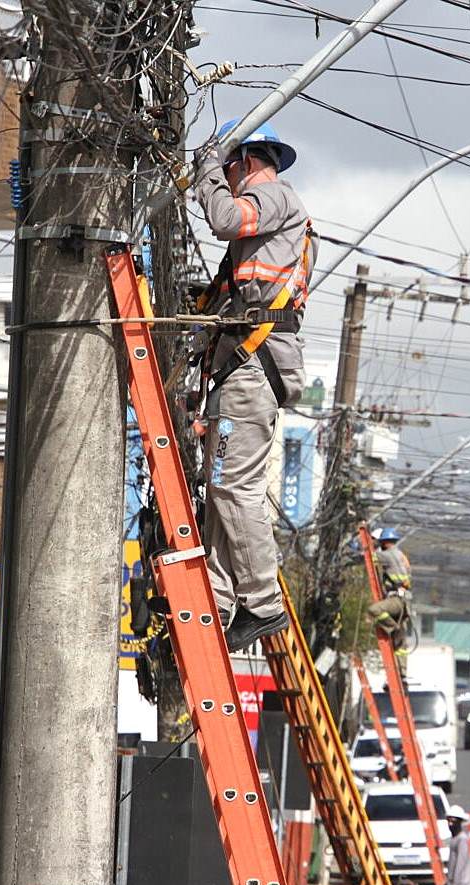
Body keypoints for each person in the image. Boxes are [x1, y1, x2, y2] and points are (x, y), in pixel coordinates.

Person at [193, 120, 314, 652]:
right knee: (221, 485)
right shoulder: (270, 223)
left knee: (230, 485)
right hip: (243, 364)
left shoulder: (273, 196)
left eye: (228, 170)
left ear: (242, 160)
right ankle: (219, 598)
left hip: (251, 365)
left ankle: (262, 603)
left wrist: (203, 168)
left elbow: (221, 218)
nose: (226, 180)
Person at [368, 528, 413, 670]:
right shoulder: (401, 555)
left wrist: (368, 544)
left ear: (386, 542)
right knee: (400, 643)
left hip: (396, 601)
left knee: (374, 610)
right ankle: (403, 672)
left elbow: (370, 558)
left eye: (381, 542)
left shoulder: (388, 555)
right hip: (405, 602)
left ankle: (393, 627)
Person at [444, 805, 470, 885]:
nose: (450, 824)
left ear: (460, 822)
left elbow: (460, 865)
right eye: (449, 820)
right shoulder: (454, 839)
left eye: (453, 821)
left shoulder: (462, 840)